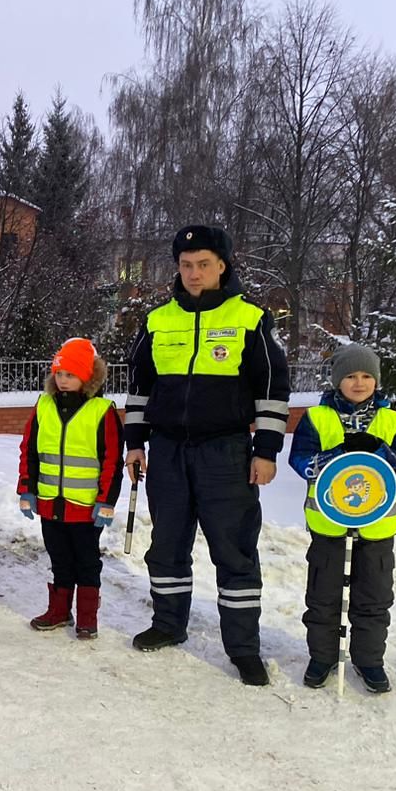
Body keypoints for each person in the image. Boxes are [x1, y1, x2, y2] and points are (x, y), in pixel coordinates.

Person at [123, 225, 290, 686]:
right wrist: (135, 444)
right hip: (169, 451)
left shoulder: (250, 318)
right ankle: (168, 625)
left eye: (203, 264)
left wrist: (267, 451)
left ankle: (242, 649)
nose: (193, 273)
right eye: (185, 265)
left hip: (227, 452)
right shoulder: (158, 321)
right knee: (168, 545)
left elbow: (274, 390)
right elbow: (139, 390)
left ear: (222, 266)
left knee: (234, 551)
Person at [289, 343, 396, 693]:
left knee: (373, 597)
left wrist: (379, 449)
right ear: (337, 381)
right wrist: (334, 456)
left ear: (376, 381)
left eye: (366, 376)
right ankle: (322, 655)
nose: (359, 383)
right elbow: (300, 460)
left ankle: (368, 660)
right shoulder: (317, 418)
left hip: (376, 527)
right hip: (329, 524)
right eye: (350, 376)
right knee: (323, 595)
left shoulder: (393, 421)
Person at [17, 338, 123, 640]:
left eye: (71, 375)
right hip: (50, 504)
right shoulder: (43, 406)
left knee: (87, 563)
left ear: (88, 377)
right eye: (60, 374)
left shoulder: (102, 411)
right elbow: (30, 451)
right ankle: (60, 611)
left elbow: (111, 460)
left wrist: (106, 502)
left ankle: (88, 618)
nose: (63, 381)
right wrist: (27, 490)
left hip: (85, 508)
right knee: (59, 560)